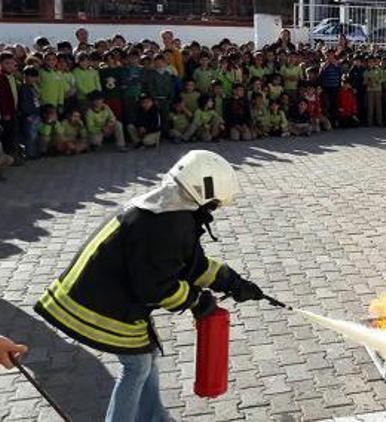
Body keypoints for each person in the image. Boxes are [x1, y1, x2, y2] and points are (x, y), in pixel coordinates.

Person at [35, 150, 265, 422]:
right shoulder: (168, 223)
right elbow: (156, 287)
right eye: (214, 204)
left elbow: (191, 264)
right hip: (93, 304)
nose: (213, 209)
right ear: (203, 192)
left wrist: (233, 282)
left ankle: (155, 418)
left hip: (96, 293)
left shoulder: (168, 205)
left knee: (146, 355)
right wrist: (196, 301)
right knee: (136, 366)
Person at [18, 66, 42, 159]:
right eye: (27, 76)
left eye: (32, 76)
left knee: (34, 134)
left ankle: (34, 152)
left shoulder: (34, 87)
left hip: (36, 113)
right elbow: (24, 103)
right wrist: (27, 114)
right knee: (30, 135)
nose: (29, 78)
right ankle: (30, 154)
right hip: (29, 115)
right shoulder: (23, 88)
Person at [0, 52, 20, 163]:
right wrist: (5, 113)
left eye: (12, 63)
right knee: (7, 136)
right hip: (7, 113)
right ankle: (7, 158)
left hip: (14, 110)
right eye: (6, 63)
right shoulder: (1, 78)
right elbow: (2, 98)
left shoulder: (13, 77)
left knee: (13, 134)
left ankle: (12, 156)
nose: (10, 66)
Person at [363, 56, 384, 126]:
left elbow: (383, 78)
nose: (371, 63)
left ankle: (379, 121)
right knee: (370, 106)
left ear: (375, 62)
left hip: (378, 90)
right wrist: (368, 82)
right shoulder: (366, 71)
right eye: (369, 62)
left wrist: (378, 82)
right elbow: (364, 81)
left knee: (378, 106)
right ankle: (370, 122)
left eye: (372, 62)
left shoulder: (379, 70)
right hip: (370, 90)